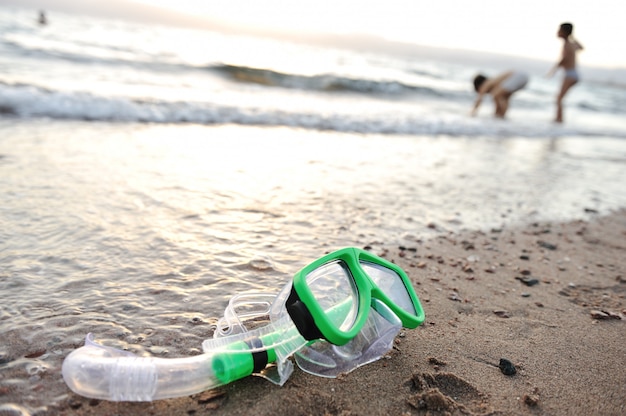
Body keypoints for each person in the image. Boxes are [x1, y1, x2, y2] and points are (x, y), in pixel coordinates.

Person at [547, 22, 583, 123]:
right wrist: (572, 36)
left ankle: (559, 119)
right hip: (573, 74)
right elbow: (581, 47)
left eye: (559, 30)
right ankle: (559, 118)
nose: (557, 32)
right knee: (560, 98)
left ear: (563, 32)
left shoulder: (567, 45)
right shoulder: (571, 44)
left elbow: (564, 59)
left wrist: (553, 70)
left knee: (559, 98)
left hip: (570, 74)